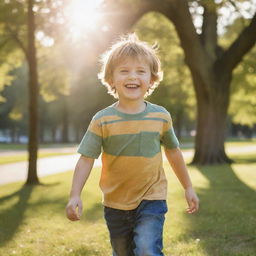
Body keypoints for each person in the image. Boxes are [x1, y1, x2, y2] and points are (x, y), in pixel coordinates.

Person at [66, 33, 199, 256]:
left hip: (152, 198)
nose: (133, 76)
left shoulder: (161, 117)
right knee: (122, 253)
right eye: (124, 70)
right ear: (111, 79)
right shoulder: (102, 120)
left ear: (151, 79)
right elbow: (86, 158)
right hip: (115, 203)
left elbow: (174, 153)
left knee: (147, 249)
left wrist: (188, 187)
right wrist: (74, 194)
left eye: (140, 71)